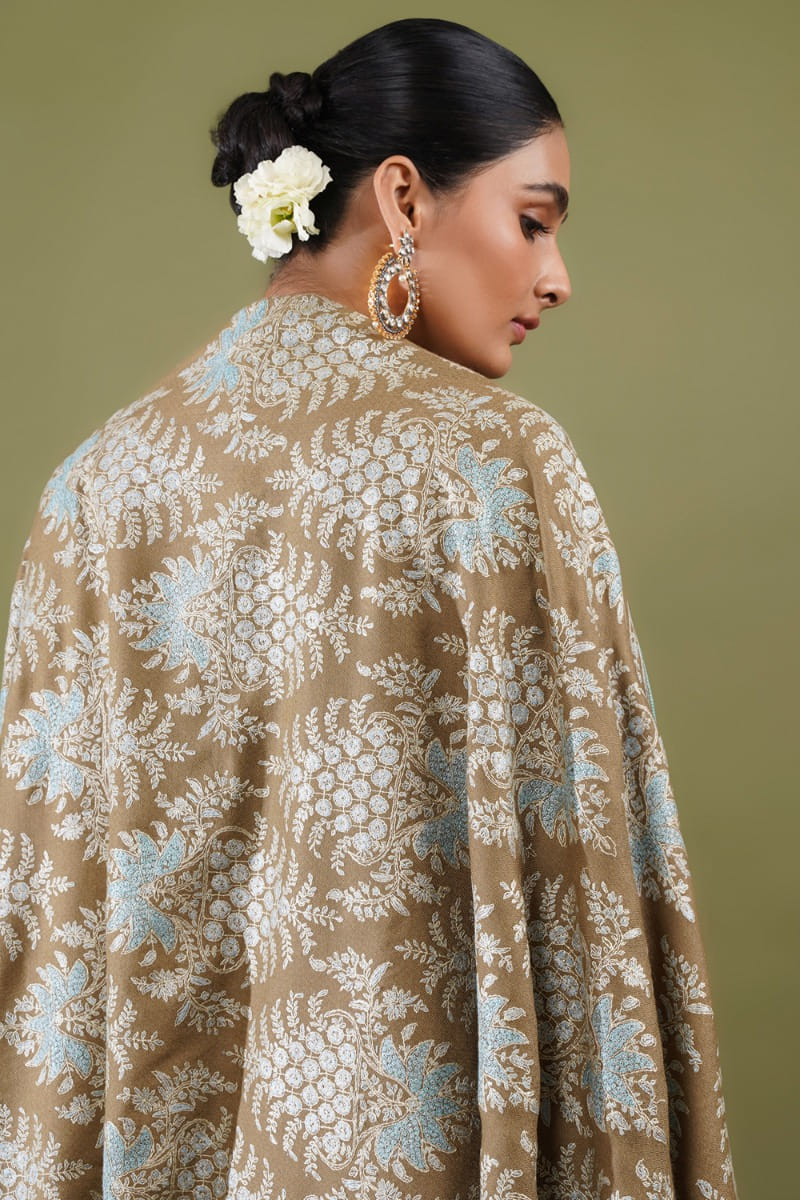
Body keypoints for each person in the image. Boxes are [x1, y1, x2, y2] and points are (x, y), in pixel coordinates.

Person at [0, 17, 738, 1200]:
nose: (556, 277)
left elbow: (50, 928)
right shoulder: (491, 462)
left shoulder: (94, 485)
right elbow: (581, 909)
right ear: (402, 198)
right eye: (533, 220)